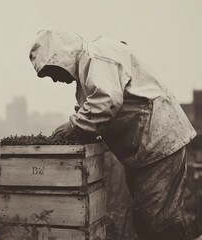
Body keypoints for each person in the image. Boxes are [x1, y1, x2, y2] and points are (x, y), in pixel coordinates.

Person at [29, 29, 196, 240]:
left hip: (159, 142)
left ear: (60, 58)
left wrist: (74, 125)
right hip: (147, 147)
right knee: (147, 218)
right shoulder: (89, 68)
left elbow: (106, 101)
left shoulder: (95, 58)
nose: (54, 80)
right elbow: (111, 108)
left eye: (51, 72)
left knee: (158, 222)